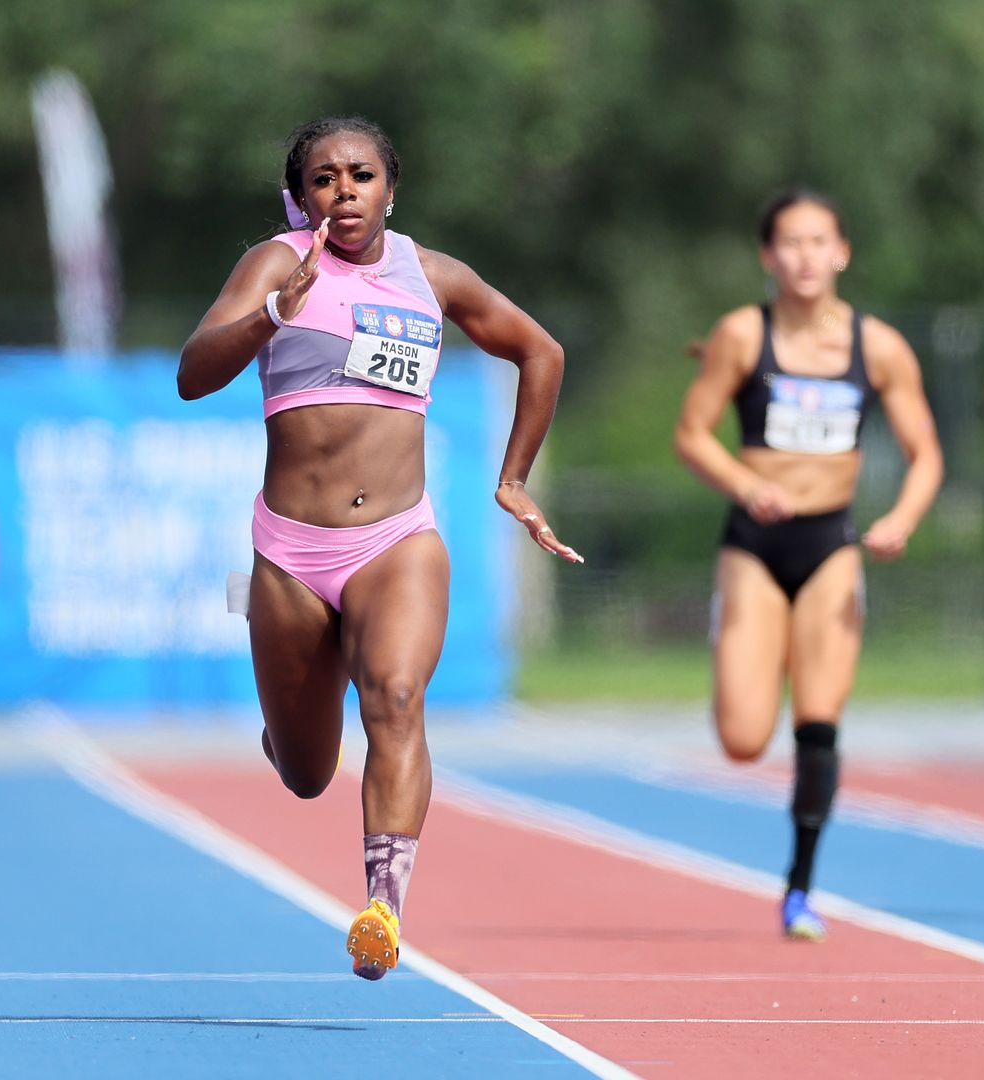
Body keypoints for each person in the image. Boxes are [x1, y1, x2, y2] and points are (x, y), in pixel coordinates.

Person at [179, 117, 580, 979]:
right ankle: (285, 736)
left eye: (362, 174)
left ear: (391, 188)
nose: (344, 190)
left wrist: (513, 477)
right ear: (302, 196)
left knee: (395, 698)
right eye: (324, 179)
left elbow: (539, 351)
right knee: (305, 772)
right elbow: (192, 372)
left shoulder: (432, 277)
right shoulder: (277, 264)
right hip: (289, 553)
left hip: (397, 538)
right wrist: (267, 321)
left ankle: (382, 909)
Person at [674, 189, 943, 940]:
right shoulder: (741, 334)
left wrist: (902, 519)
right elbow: (693, 435)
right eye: (789, 243)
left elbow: (926, 455)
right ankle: (737, 644)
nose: (804, 257)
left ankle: (799, 890)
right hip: (755, 545)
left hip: (832, 543)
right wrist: (745, 483)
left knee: (819, 719)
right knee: (743, 737)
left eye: (819, 242)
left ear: (842, 253)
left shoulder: (878, 346)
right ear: (768, 256)